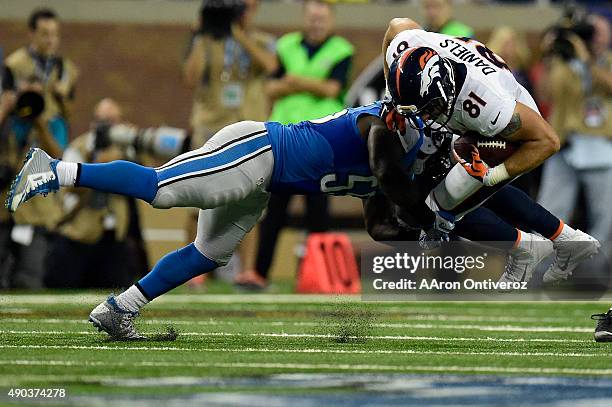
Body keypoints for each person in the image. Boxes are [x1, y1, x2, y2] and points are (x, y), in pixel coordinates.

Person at [381, 18, 599, 283]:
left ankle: (526, 248)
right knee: (452, 198)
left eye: (429, 108)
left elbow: (548, 141)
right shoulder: (406, 48)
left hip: (508, 134)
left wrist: (494, 174)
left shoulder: (487, 104)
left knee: (438, 207)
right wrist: (392, 89)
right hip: (470, 115)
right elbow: (397, 25)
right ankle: (564, 240)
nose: (425, 116)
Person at [234, 0, 354, 289]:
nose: (317, 24)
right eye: (312, 18)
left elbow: (332, 89)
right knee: (275, 208)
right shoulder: (286, 45)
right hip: (285, 138)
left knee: (317, 209)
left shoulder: (343, 49)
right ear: (304, 18)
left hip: (321, 140)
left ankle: (320, 275)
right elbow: (271, 86)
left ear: (331, 21)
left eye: (322, 19)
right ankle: (259, 274)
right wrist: (312, 84)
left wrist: (295, 80)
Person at [182, 0, 277, 283]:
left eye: (245, 9)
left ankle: (246, 270)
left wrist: (237, 33)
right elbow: (190, 78)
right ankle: (192, 271)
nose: (240, 15)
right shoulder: (206, 41)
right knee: (195, 193)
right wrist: (202, 35)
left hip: (248, 126)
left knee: (253, 196)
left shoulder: (263, 41)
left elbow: (270, 65)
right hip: (209, 125)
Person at [1, 7, 77, 288]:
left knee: (30, 275)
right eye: (44, 34)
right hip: (9, 165)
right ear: (31, 34)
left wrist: (57, 100)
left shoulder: (64, 69)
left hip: (39, 170)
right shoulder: (13, 65)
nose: (50, 41)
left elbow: (67, 120)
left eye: (55, 35)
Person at [45, 99, 143, 289]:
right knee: (65, 286)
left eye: (113, 121)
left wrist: (132, 146)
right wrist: (99, 167)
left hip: (114, 233)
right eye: (104, 120)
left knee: (115, 290)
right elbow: (69, 185)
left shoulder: (126, 149)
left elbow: (141, 179)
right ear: (94, 122)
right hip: (80, 232)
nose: (108, 126)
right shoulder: (79, 147)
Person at [537, 14, 612, 246]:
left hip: (601, 148)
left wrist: (587, 61)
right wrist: (549, 57)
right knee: (549, 212)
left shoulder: (608, 61)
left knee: (605, 218)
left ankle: (597, 276)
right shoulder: (564, 62)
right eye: (589, 32)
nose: (594, 38)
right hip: (565, 145)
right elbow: (544, 95)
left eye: (598, 32)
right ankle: (536, 272)